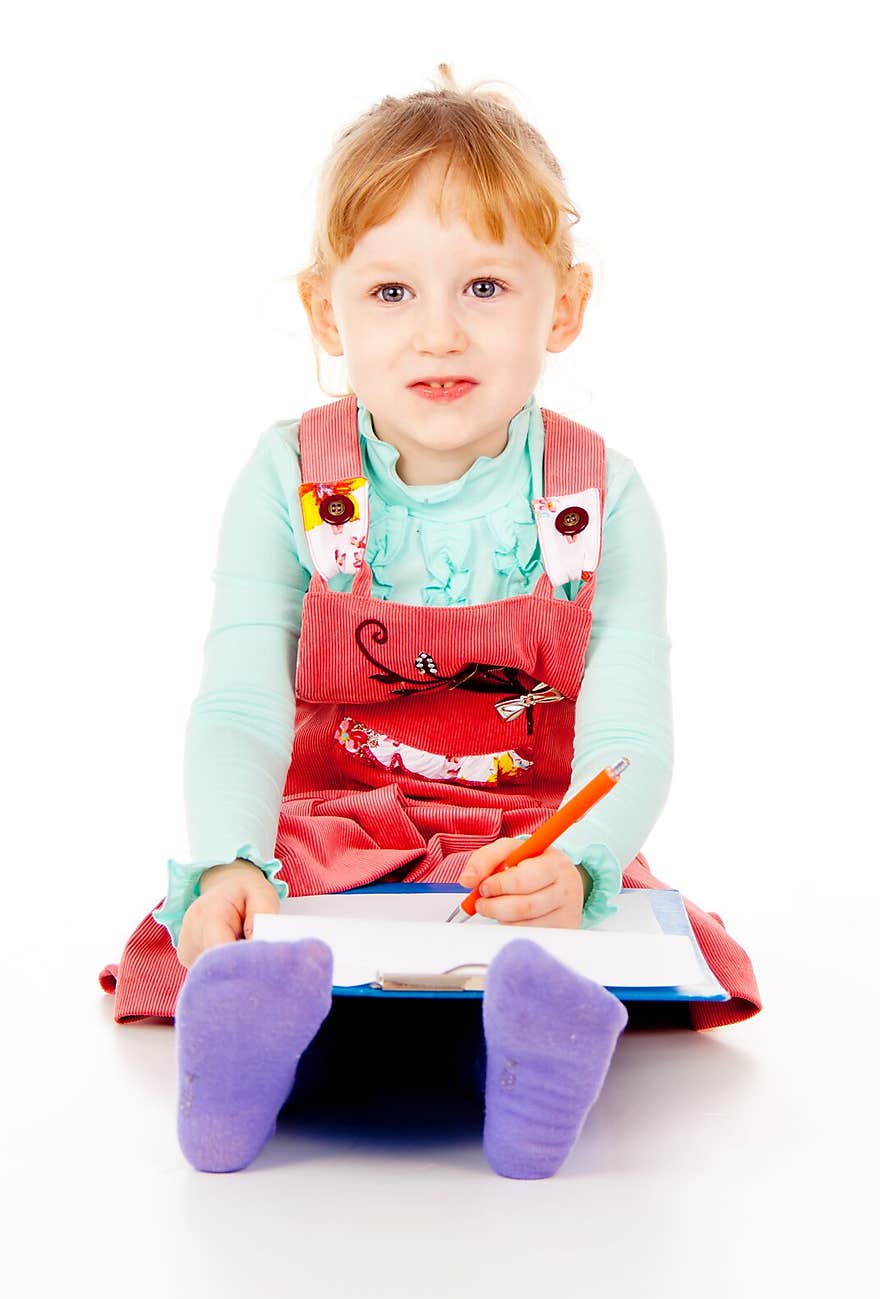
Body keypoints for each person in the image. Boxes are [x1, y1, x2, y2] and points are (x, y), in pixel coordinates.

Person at [99, 64, 761, 1180]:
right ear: (327, 309)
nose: (440, 334)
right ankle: (250, 1060)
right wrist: (231, 858)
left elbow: (629, 724)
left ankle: (522, 1061)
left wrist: (583, 859)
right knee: (280, 928)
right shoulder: (288, 477)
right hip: (331, 827)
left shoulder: (602, 497)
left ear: (566, 303)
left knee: (530, 944)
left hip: (519, 840)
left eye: (487, 287)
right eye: (393, 293)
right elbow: (240, 697)